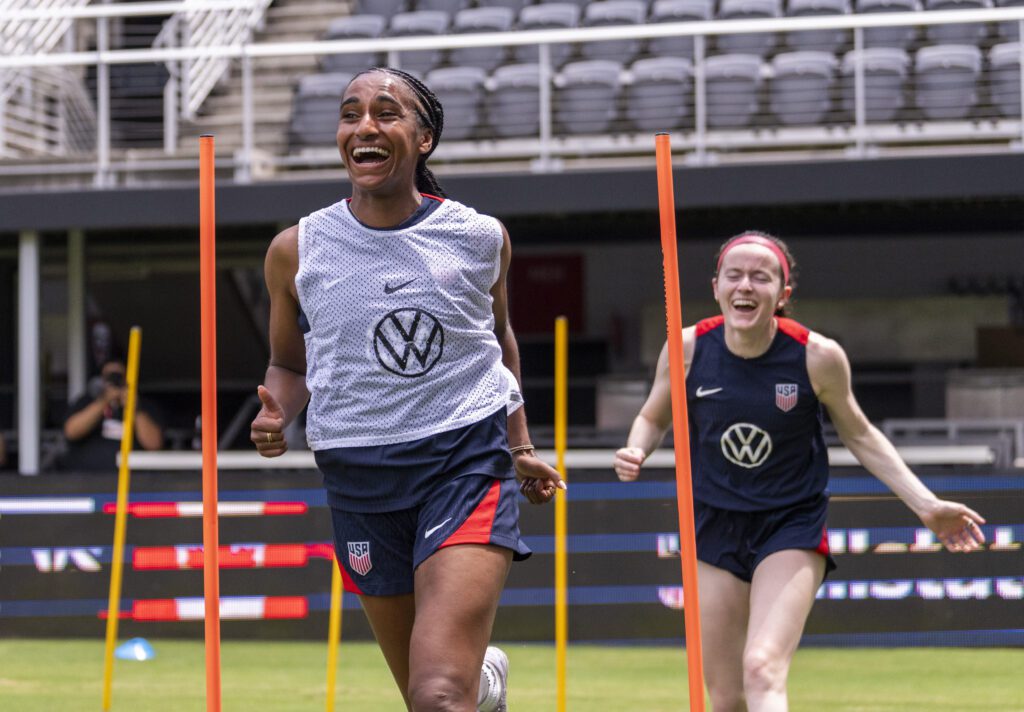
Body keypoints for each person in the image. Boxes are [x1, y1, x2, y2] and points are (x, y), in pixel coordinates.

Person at [250, 67, 564, 712]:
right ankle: (487, 686)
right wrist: (277, 413)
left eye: (386, 113)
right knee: (436, 695)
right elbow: (289, 364)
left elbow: (497, 340)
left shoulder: (478, 236)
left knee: (438, 695)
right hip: (357, 477)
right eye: (350, 114)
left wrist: (520, 445)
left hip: (462, 464)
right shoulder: (295, 249)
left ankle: (469, 686)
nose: (364, 126)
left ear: (424, 139)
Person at [613, 231, 986, 712]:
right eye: (734, 275)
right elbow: (652, 417)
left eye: (760, 277)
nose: (745, 286)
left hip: (790, 523)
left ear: (782, 294)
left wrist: (926, 504)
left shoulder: (817, 356)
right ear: (716, 287)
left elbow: (861, 434)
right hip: (712, 522)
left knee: (762, 669)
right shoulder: (686, 348)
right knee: (726, 698)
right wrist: (636, 448)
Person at [62, 359, 164, 471]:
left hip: (132, 476)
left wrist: (134, 409)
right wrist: (104, 401)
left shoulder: (142, 405)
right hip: (86, 476)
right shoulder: (87, 401)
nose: (115, 382)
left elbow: (154, 444)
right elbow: (71, 432)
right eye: (110, 377)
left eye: (119, 377)